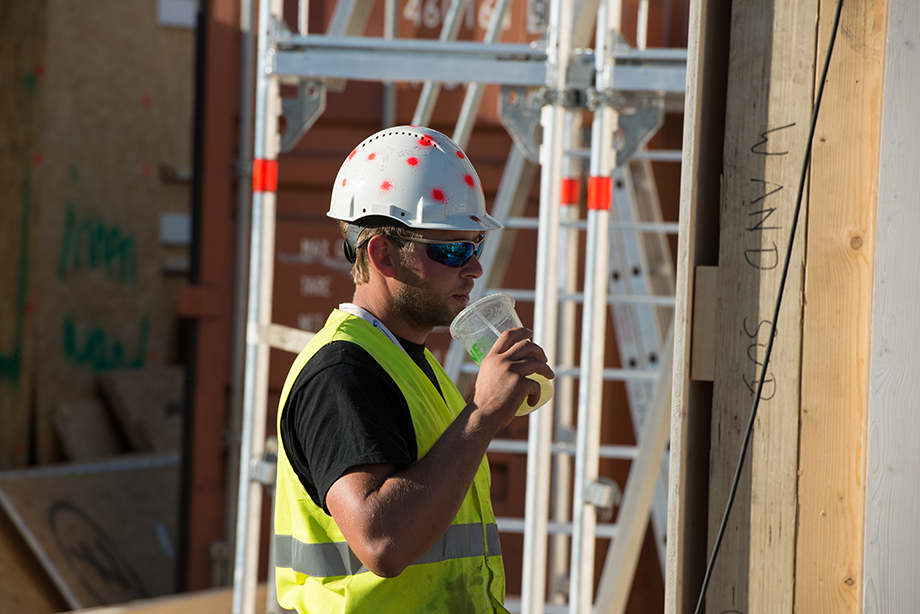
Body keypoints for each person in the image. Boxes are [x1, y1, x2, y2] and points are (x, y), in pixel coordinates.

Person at [273, 125, 555, 613]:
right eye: (450, 249)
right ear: (383, 253)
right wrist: (483, 414)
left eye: (475, 246)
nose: (473, 268)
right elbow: (382, 540)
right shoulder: (340, 373)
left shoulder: (411, 365)